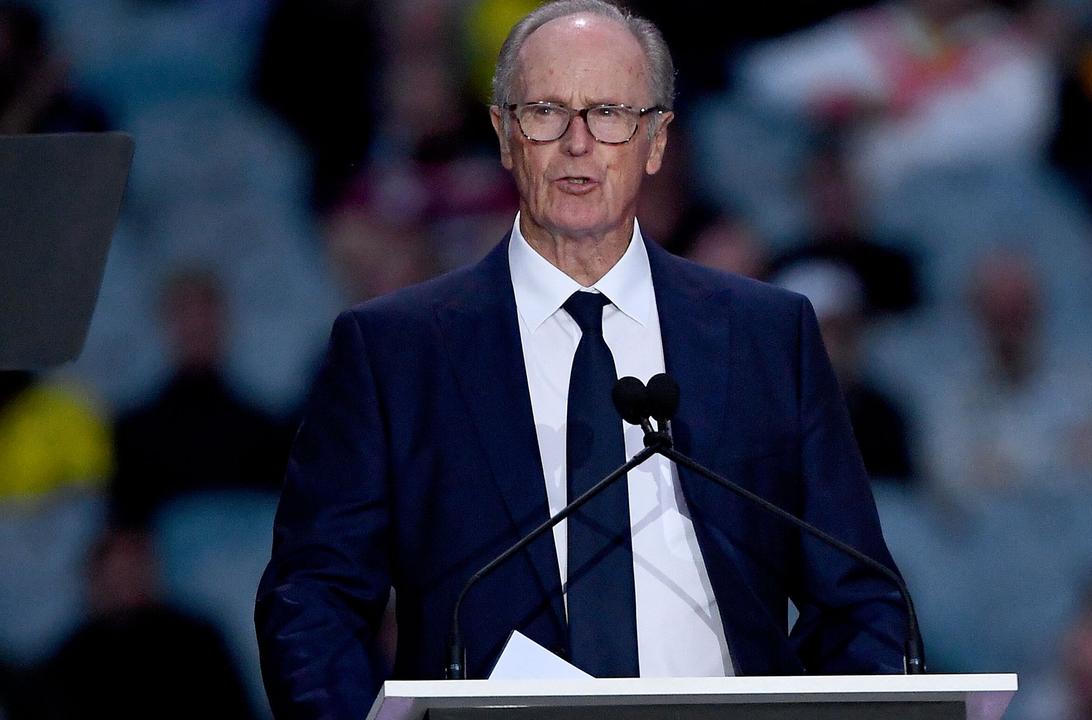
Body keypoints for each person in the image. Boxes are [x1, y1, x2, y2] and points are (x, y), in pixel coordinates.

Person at [256, 2, 908, 718]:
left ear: (656, 141)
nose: (577, 143)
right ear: (505, 136)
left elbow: (859, 596)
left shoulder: (766, 336)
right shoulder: (395, 352)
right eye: (545, 111)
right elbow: (311, 598)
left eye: (608, 113)